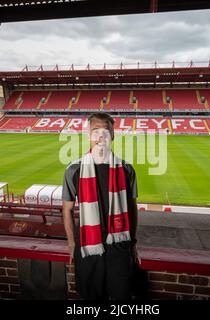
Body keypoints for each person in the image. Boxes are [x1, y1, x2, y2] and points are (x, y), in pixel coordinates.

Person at [62, 112, 139, 300]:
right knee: (91, 297)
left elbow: (132, 208)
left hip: (119, 242)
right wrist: (72, 244)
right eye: (96, 131)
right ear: (89, 135)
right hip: (88, 243)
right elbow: (67, 209)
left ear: (113, 135)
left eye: (106, 131)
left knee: (122, 296)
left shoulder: (127, 169)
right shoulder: (74, 170)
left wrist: (133, 243)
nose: (101, 136)